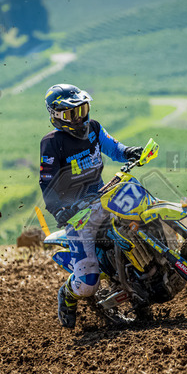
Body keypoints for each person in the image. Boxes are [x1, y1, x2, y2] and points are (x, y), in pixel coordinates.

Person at [39, 84, 143, 328]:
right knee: (87, 284)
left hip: (104, 196)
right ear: (56, 116)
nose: (79, 118)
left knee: (143, 212)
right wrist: (59, 210)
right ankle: (68, 293)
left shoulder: (94, 128)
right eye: (71, 114)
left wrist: (129, 152)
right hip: (77, 214)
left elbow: (113, 148)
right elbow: (47, 182)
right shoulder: (52, 143)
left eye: (82, 110)